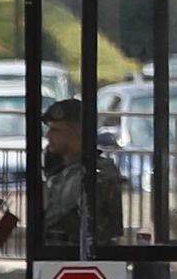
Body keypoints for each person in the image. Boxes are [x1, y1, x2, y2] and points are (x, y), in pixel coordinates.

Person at [39, 97, 130, 254]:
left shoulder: (97, 173)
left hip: (80, 259)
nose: (48, 136)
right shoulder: (62, 171)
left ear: (77, 134)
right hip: (58, 260)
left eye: (56, 130)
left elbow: (55, 217)